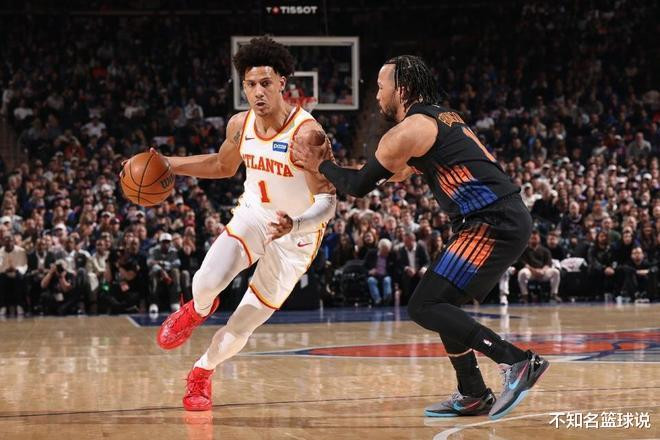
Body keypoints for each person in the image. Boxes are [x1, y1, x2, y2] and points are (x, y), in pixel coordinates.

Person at [296, 55, 548, 420]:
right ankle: (473, 392)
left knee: (424, 306)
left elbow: (359, 186)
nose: (377, 95)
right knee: (441, 303)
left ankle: (516, 360)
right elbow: (394, 173)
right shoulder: (440, 117)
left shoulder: (407, 131)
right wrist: (336, 168)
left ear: (401, 89)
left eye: (381, 87)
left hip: (492, 220)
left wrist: (320, 165)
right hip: (497, 216)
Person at [152, 37, 336, 411]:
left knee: (243, 323)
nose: (257, 92)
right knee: (205, 281)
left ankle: (201, 372)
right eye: (250, 84)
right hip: (255, 214)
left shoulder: (308, 134)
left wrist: (295, 224)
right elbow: (222, 166)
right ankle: (197, 309)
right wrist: (170, 164)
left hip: (296, 238)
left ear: (282, 82)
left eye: (265, 83)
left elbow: (329, 202)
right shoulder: (241, 123)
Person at [517, 230, 562, 303]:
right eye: (532, 238)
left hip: (543, 272)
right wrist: (534, 270)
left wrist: (543, 271)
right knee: (522, 273)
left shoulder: (545, 250)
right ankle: (525, 295)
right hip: (530, 272)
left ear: (539, 239)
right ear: (529, 239)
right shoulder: (524, 250)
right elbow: (523, 263)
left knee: (556, 272)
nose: (534, 239)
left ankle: (554, 294)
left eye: (536, 238)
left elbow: (548, 263)